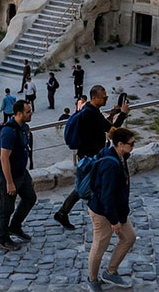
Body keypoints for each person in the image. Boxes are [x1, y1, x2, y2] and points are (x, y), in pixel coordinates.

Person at [53, 86, 128, 230]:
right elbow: (113, 131)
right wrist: (123, 114)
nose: (106, 99)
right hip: (91, 156)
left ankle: (63, 212)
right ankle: (97, 217)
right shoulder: (91, 114)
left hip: (89, 154)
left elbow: (104, 125)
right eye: (104, 97)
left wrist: (114, 113)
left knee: (87, 186)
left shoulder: (90, 111)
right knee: (88, 187)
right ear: (94, 98)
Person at [84, 127, 139, 292]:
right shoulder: (111, 165)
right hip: (103, 212)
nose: (133, 146)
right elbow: (106, 196)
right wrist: (114, 221)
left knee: (129, 238)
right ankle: (92, 279)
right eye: (131, 144)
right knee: (100, 246)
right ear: (120, 144)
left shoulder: (118, 155)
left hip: (117, 210)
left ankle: (110, 271)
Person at [0, 100, 36, 252]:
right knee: (6, 208)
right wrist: (9, 182)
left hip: (21, 172)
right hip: (8, 174)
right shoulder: (8, 132)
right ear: (18, 114)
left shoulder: (23, 127)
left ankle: (15, 226)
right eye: (28, 112)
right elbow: (4, 158)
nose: (31, 113)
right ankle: (2, 238)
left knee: (30, 197)